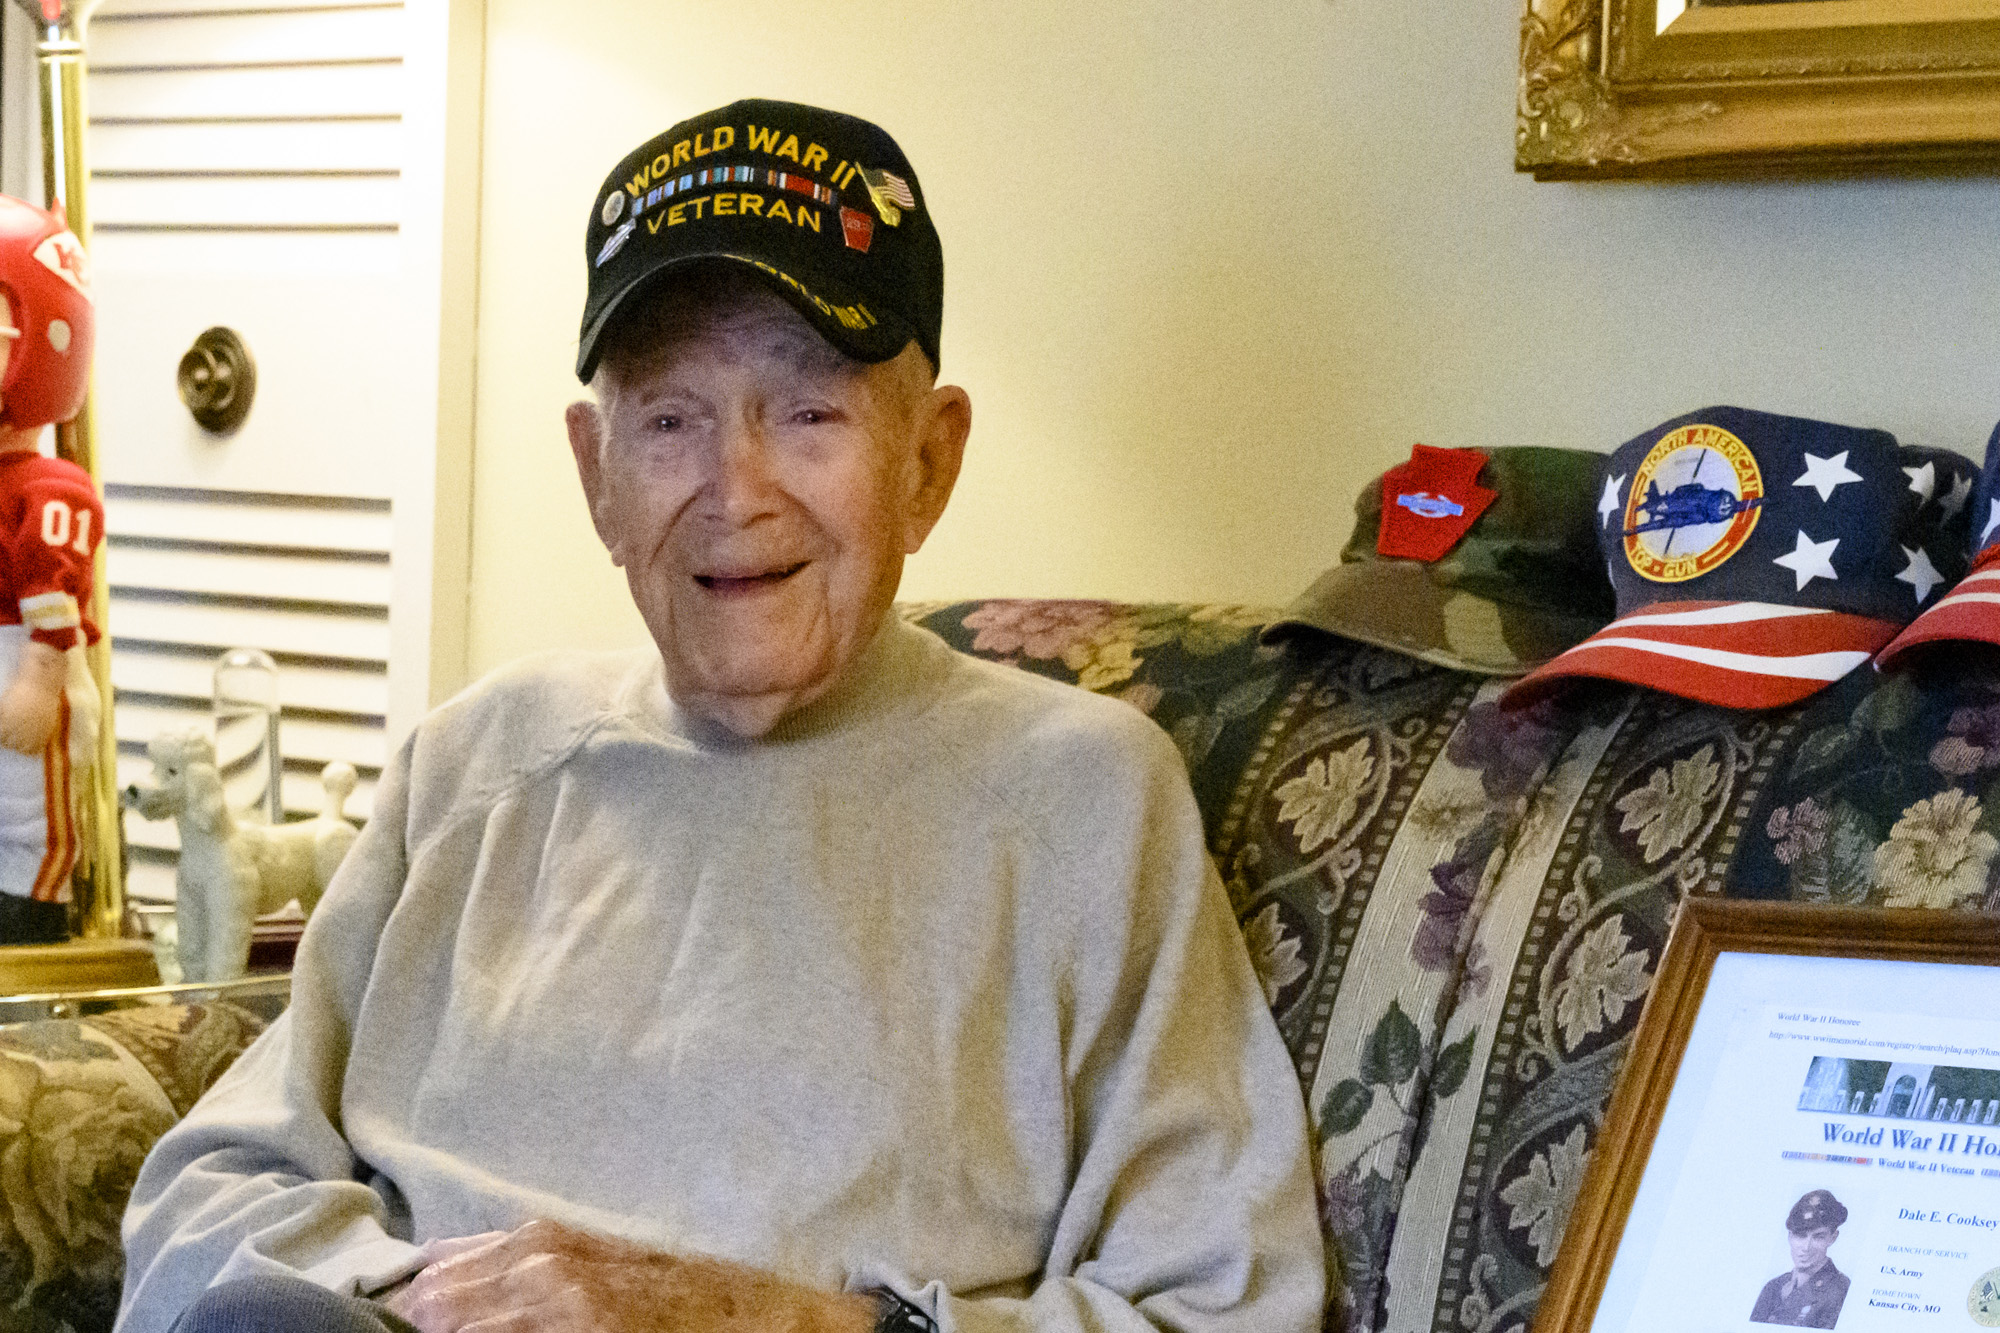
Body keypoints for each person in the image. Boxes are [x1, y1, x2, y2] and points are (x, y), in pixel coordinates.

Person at [117, 100, 1325, 1333]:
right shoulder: (478, 760)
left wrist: (763, 1321)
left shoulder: (1083, 798)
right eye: (669, 421)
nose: (733, 492)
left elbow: (1224, 1309)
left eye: (808, 414)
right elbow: (203, 1198)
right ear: (597, 475)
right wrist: (439, 1299)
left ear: (928, 460)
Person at [0, 194, 100, 944]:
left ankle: (30, 912)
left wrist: (40, 674)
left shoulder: (50, 487)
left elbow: (53, 597)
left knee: (27, 811)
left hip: (28, 663)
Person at [1749, 1190, 1850, 1328]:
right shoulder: (1773, 1287)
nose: (1806, 1247)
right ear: (1790, 1236)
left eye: (1818, 1237)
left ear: (1832, 1238)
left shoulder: (1841, 1291)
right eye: (1800, 1235)